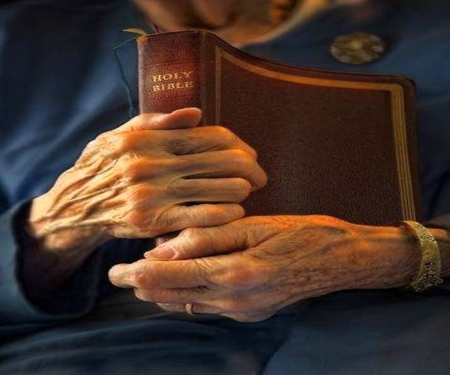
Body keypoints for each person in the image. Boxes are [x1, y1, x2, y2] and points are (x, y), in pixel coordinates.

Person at [1, 0, 450, 374]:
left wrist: (399, 254)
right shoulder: (23, 40)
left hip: (403, 326)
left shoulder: (429, 21)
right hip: (105, 347)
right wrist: (58, 222)